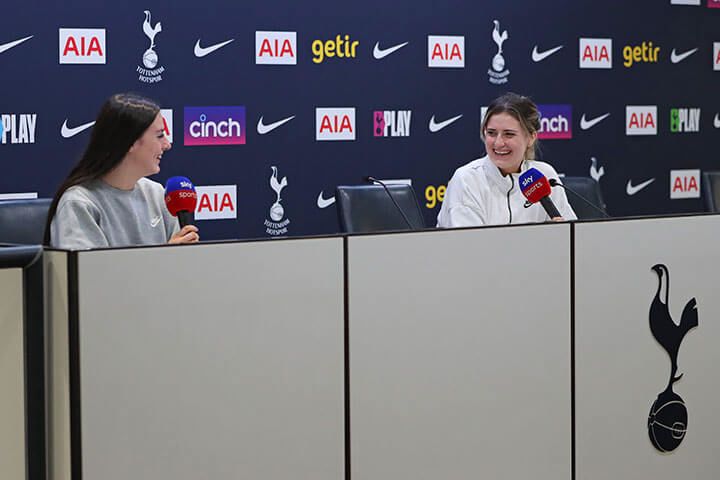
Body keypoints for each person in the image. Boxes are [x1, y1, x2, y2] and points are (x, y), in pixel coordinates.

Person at [44, 93, 199, 249]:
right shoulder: (79, 203)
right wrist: (164, 256)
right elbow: (89, 271)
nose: (167, 144)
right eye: (159, 136)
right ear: (131, 142)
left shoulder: (157, 194)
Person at [437, 92, 576, 227]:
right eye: (491, 133)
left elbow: (572, 235)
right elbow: (468, 245)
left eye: (509, 134)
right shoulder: (467, 179)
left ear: (531, 137)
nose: (498, 143)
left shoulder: (545, 174)